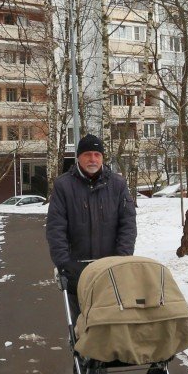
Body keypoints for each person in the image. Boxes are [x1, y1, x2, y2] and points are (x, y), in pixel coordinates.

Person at [45, 133, 137, 321]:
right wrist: (65, 264)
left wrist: (122, 260)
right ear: (78, 157)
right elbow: (56, 229)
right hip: (77, 271)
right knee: (82, 325)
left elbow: (128, 225)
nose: (93, 159)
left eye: (97, 154)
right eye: (87, 154)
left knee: (113, 323)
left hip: (111, 269)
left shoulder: (118, 185)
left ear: (103, 157)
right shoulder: (63, 186)